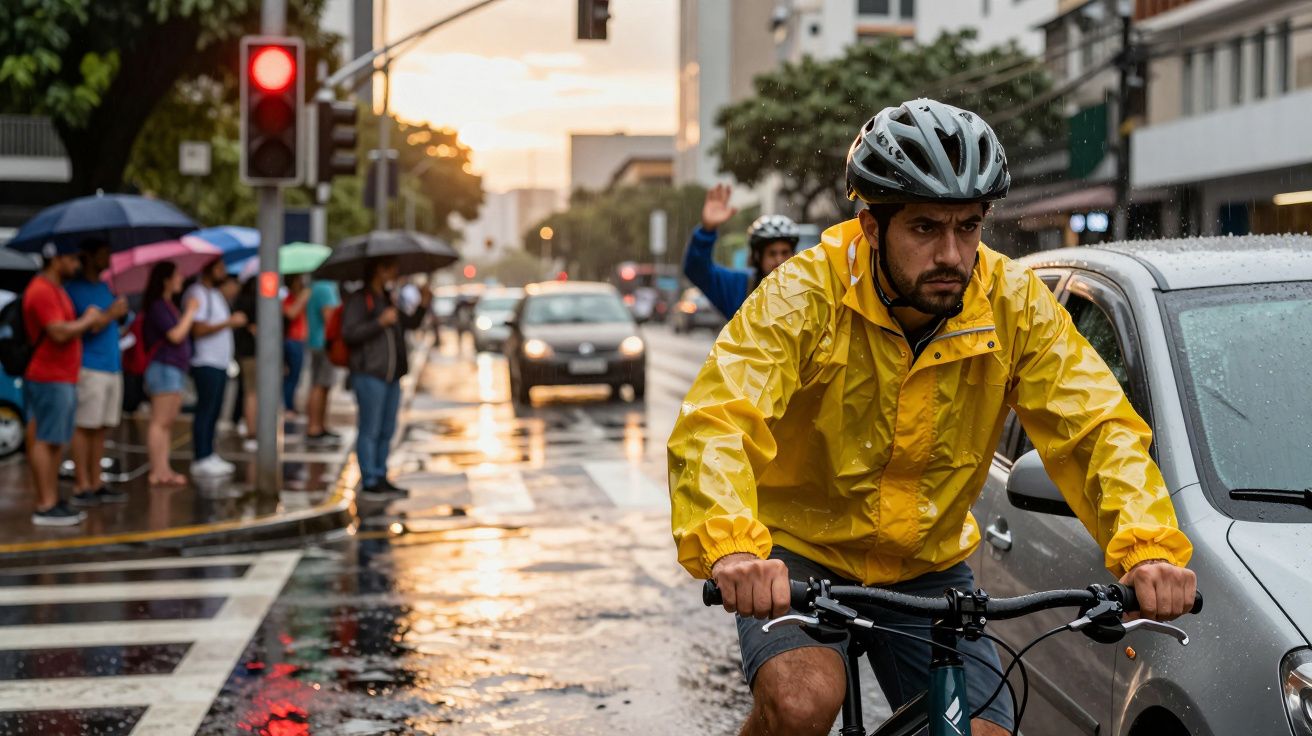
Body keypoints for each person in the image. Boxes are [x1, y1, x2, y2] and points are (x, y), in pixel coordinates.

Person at [667, 99, 1197, 736]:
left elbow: (1096, 427)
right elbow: (718, 419)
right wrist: (731, 549)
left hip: (926, 564)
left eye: (968, 228)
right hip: (796, 553)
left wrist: (1148, 550)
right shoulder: (801, 293)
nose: (952, 253)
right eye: (924, 229)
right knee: (804, 702)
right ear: (871, 226)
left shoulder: (1013, 303)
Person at [22, 241, 104, 525]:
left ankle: (51, 498)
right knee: (47, 439)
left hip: (61, 376)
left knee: (55, 440)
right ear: (55, 260)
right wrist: (87, 320)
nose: (77, 265)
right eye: (72, 259)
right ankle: (45, 504)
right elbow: (57, 332)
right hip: (48, 376)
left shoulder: (55, 289)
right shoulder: (42, 290)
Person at [340, 258, 428, 500]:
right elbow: (349, 332)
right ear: (379, 269)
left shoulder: (389, 297)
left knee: (387, 428)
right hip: (370, 373)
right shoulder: (360, 299)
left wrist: (423, 305)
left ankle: (381, 474)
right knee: (370, 428)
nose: (396, 272)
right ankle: (369, 478)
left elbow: (408, 324)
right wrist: (379, 322)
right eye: (391, 268)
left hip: (392, 374)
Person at [65, 238, 130, 507]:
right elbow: (88, 325)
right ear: (89, 257)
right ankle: (81, 483)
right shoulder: (74, 290)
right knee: (85, 426)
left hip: (112, 365)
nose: (108, 259)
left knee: (101, 427)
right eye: (104, 253)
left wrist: (118, 311)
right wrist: (111, 314)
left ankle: (96, 480)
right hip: (90, 366)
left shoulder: (106, 287)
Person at [682, 183, 801, 318]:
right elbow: (697, 270)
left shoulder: (806, 288)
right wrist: (707, 230)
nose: (779, 259)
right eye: (772, 253)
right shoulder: (739, 286)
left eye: (785, 252)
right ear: (757, 257)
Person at [183, 257, 244, 477]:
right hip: (205, 360)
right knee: (206, 409)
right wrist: (229, 323)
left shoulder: (216, 294)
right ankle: (201, 456)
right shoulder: (197, 293)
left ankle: (209, 452)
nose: (224, 272)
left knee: (215, 409)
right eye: (220, 268)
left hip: (220, 362)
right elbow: (198, 329)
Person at [142, 261, 198, 486]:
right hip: (163, 367)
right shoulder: (157, 306)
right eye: (176, 276)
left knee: (168, 422)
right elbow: (175, 335)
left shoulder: (167, 305)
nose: (180, 280)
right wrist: (191, 312)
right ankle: (157, 470)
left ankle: (164, 468)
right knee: (160, 421)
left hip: (173, 368)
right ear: (166, 280)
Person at [304, 279, 341, 443]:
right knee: (320, 385)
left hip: (318, 342)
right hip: (324, 343)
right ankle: (315, 427)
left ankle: (319, 425)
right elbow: (330, 316)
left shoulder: (316, 286)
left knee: (322, 385)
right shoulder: (325, 287)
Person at [231, 277, 259, 451]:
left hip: (244, 352)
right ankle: (251, 432)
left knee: (249, 392)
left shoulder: (240, 300)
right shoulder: (253, 302)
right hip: (251, 353)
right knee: (252, 393)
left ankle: (247, 425)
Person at [282, 274, 310, 421]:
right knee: (291, 376)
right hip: (292, 341)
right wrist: (302, 298)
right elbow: (291, 313)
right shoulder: (288, 298)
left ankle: (290, 405)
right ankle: (287, 407)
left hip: (300, 340)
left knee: (296, 376)